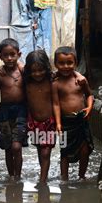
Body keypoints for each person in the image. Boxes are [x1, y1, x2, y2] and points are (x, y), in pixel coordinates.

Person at [52, 46, 94, 181]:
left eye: (69, 63)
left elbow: (89, 95)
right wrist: (58, 123)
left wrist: (89, 107)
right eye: (61, 63)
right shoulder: (56, 84)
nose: (65, 66)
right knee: (64, 151)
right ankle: (64, 177)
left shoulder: (81, 80)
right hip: (65, 122)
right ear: (55, 64)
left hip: (81, 120)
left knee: (85, 149)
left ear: (75, 63)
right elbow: (56, 104)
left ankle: (82, 176)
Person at [0, 38, 28, 180]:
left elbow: (34, 75)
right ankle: (11, 176)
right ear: (0, 57)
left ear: (19, 54)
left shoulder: (23, 72)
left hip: (21, 112)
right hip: (4, 113)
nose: (9, 58)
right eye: (5, 55)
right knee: (8, 148)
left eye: (12, 54)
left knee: (16, 147)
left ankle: (18, 177)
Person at [23, 50, 61, 184]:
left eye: (41, 70)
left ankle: (42, 181)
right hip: (33, 123)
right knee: (40, 149)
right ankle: (43, 173)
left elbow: (68, 73)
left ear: (46, 68)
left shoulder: (51, 81)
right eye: (34, 71)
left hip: (49, 122)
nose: (37, 74)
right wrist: (0, 69)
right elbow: (15, 68)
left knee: (46, 152)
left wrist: (58, 123)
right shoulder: (26, 81)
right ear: (29, 70)